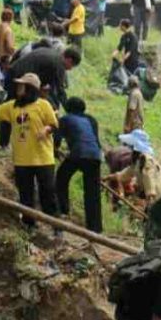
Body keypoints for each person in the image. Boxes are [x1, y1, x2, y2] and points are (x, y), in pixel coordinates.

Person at [0, 73, 60, 229]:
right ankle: (29, 225)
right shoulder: (12, 106)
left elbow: (54, 125)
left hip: (43, 159)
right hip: (22, 160)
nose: (18, 88)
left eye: (22, 86)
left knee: (48, 194)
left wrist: (46, 129)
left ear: (30, 89)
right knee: (25, 196)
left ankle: (56, 227)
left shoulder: (43, 105)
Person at [55, 97, 104, 232]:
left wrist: (55, 149)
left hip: (78, 154)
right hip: (95, 155)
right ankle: (95, 228)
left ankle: (63, 210)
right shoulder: (91, 120)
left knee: (61, 178)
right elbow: (94, 139)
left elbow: (56, 138)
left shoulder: (65, 119)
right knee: (92, 193)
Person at [4, 45, 80, 111]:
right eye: (72, 66)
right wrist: (69, 109)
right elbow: (59, 91)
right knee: (12, 110)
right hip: (19, 80)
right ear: (69, 60)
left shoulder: (52, 53)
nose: (70, 69)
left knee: (8, 108)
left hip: (13, 74)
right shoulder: (58, 64)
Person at [108, 129, 161, 206]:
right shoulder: (138, 161)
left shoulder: (147, 161)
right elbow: (124, 174)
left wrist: (150, 201)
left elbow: (149, 180)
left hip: (157, 197)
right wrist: (107, 178)